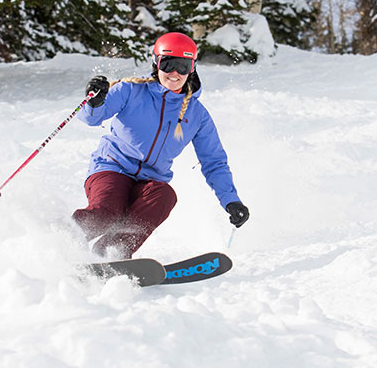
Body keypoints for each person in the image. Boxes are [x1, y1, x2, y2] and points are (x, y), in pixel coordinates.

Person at [72, 32, 249, 259]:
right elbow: (91, 118)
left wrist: (230, 200)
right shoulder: (130, 90)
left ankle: (110, 254)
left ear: (192, 68)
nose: (174, 73)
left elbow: (213, 161)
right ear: (156, 63)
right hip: (111, 167)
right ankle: (62, 241)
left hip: (149, 180)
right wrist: (94, 102)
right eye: (168, 64)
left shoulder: (197, 115)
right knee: (108, 212)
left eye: (182, 66)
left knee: (164, 196)